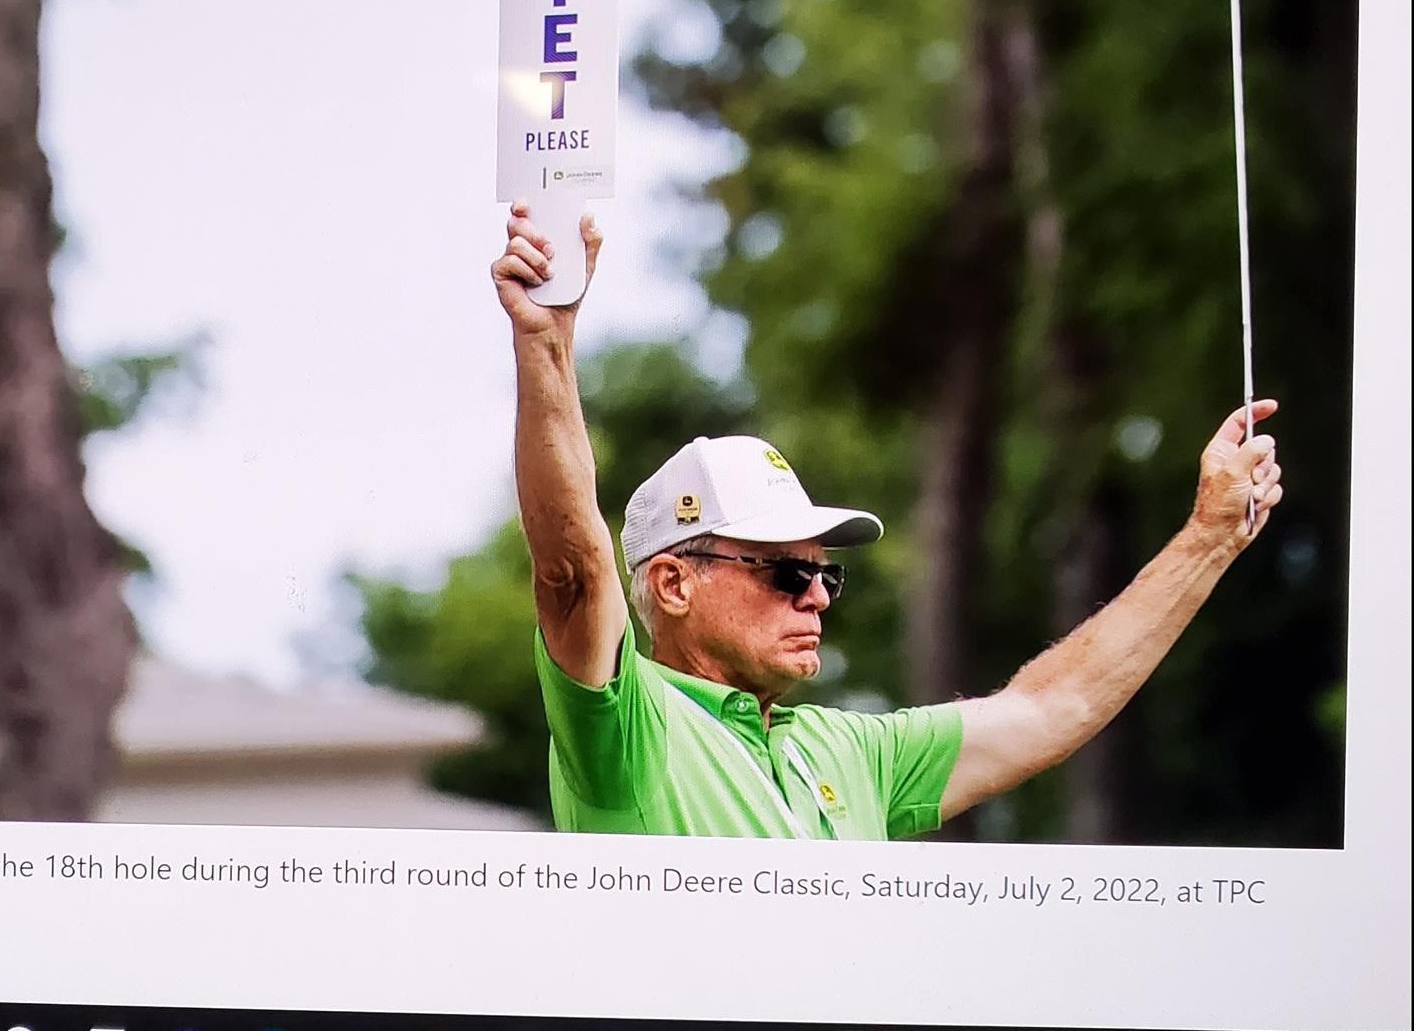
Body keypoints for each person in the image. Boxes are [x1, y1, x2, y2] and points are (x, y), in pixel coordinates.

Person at [492, 201, 1284, 840]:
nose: (818, 597)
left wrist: (1210, 537)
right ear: (671, 583)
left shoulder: (849, 751)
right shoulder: (628, 726)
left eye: (824, 572)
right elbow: (572, 567)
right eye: (784, 571)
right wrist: (547, 341)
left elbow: (1054, 706)